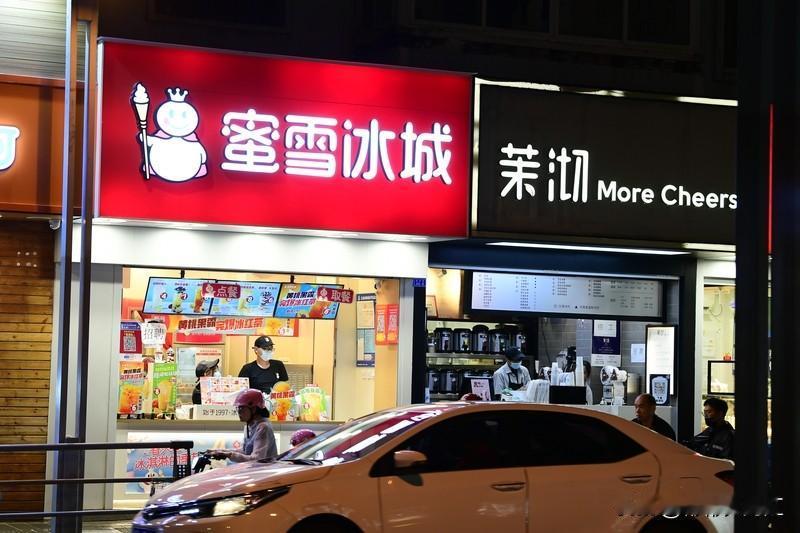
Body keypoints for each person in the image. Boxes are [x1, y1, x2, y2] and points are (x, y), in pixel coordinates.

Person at [209, 388, 277, 462]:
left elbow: (256, 459)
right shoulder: (249, 426)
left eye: (241, 408)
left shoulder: (263, 427)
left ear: (253, 409)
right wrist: (220, 451)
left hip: (264, 468)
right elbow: (245, 451)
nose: (239, 412)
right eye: (238, 409)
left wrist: (229, 455)